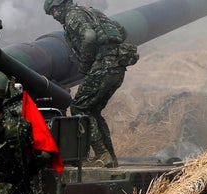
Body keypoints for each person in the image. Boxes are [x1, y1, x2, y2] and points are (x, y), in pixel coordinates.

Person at [44, 0, 138, 167]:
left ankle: (102, 153)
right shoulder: (94, 13)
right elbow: (122, 31)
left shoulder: (72, 15)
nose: (55, 15)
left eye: (55, 10)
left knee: (78, 108)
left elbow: (89, 36)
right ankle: (109, 157)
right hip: (117, 68)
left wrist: (86, 64)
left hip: (103, 66)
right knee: (93, 110)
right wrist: (109, 48)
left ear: (63, 5)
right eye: (51, 13)